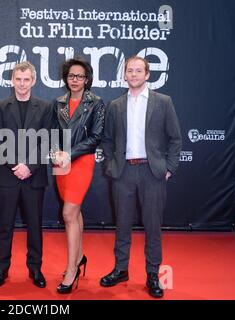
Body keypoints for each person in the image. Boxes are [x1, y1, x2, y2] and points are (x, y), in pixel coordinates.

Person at [100, 55, 182, 298]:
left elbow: (176, 138)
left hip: (152, 172)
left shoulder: (163, 102)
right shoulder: (115, 105)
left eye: (138, 71)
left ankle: (153, 274)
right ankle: (121, 269)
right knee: (122, 224)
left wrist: (169, 168)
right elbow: (107, 140)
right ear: (124, 75)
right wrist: (111, 165)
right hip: (123, 172)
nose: (134, 74)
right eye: (130, 71)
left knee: (153, 226)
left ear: (147, 74)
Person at [0, 61, 51, 288]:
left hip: (34, 177)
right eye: (18, 79)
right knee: (5, 225)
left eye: (27, 79)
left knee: (35, 225)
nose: (22, 84)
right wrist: (17, 165)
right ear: (12, 81)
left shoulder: (45, 107)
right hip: (7, 176)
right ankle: (1, 268)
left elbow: (47, 141)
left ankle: (35, 268)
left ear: (33, 81)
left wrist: (29, 166)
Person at [52, 57, 105, 294]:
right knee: (74, 211)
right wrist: (55, 152)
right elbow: (53, 133)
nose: (75, 80)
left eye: (80, 76)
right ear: (66, 78)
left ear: (87, 79)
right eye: (71, 76)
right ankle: (80, 256)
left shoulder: (96, 103)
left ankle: (71, 269)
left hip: (81, 162)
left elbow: (95, 138)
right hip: (61, 163)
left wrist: (69, 153)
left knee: (68, 213)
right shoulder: (59, 102)